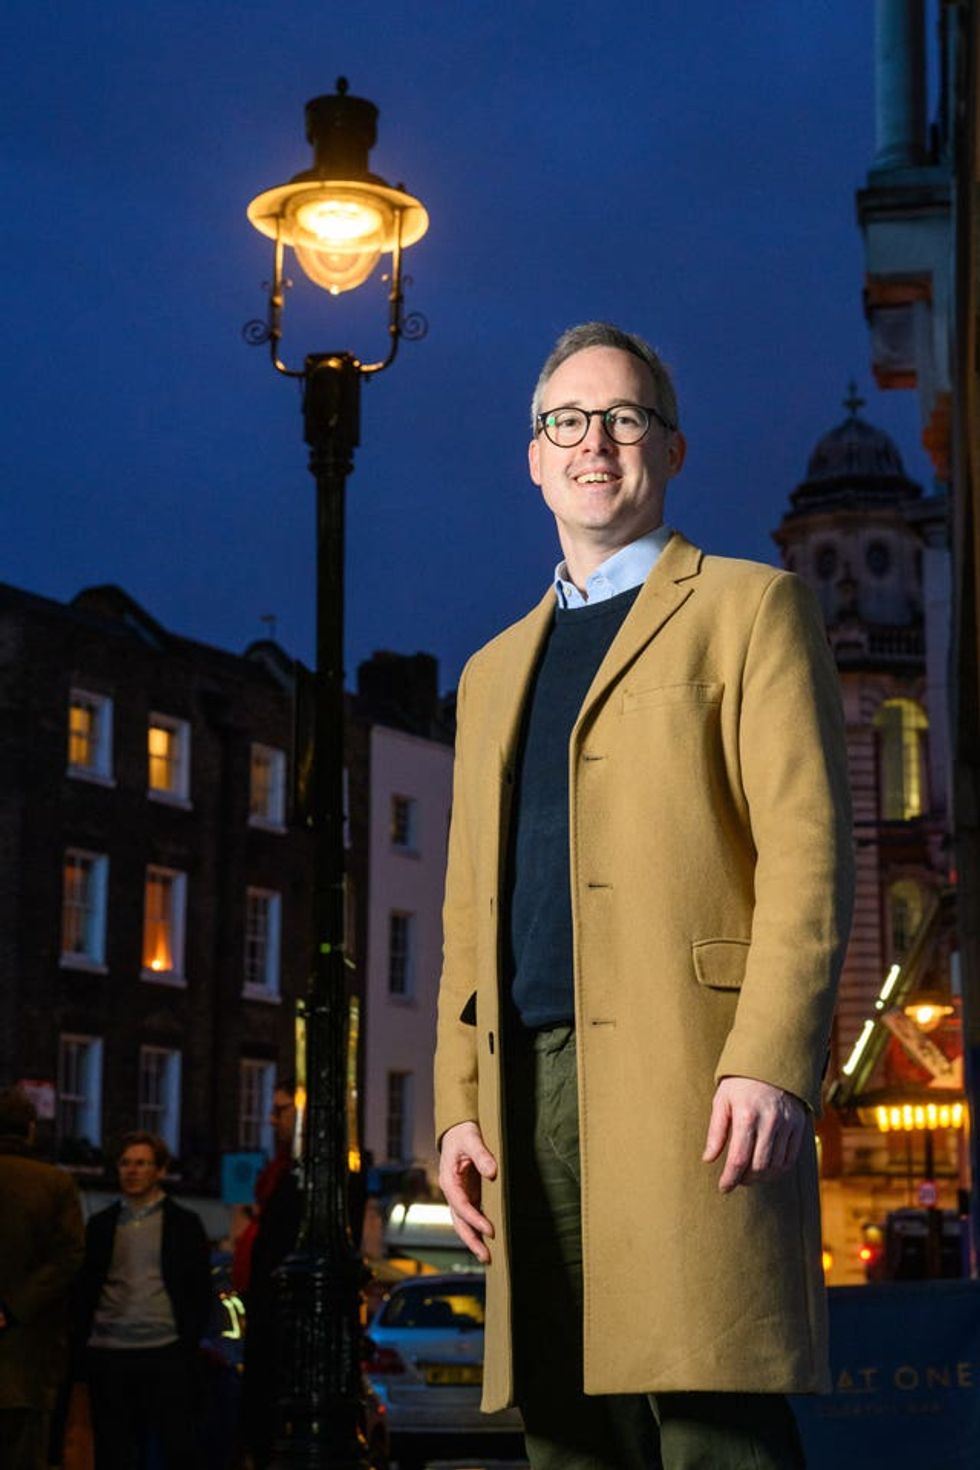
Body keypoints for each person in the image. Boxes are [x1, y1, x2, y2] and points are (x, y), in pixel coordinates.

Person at [434, 322, 854, 1470]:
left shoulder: (749, 607)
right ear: (532, 457)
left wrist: (769, 1056)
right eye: (565, 421)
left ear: (670, 449)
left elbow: (808, 852)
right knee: (567, 1429)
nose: (594, 444)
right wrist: (455, 1100)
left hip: (692, 1068)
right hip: (525, 1090)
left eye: (623, 418)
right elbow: (469, 906)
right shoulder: (488, 671)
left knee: (710, 1419)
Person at [73, 1131, 211, 1467]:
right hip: (109, 1349)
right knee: (113, 1449)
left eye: (142, 1164)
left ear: (160, 1171)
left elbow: (197, 1289)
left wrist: (187, 1341)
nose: (132, 1171)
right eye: (125, 1163)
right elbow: (85, 1285)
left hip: (163, 1348)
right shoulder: (101, 1225)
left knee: (175, 1445)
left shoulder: (183, 1224)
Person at [0, 1088, 84, 1470]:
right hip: (28, 1352)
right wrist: (15, 1307)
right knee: (24, 1448)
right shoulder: (54, 1184)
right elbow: (68, 1257)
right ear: (30, 1130)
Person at [240, 1080, 301, 1469]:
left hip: (283, 1323)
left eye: (281, 1110)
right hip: (267, 1316)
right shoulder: (279, 1172)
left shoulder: (300, 1175)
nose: (270, 1119)